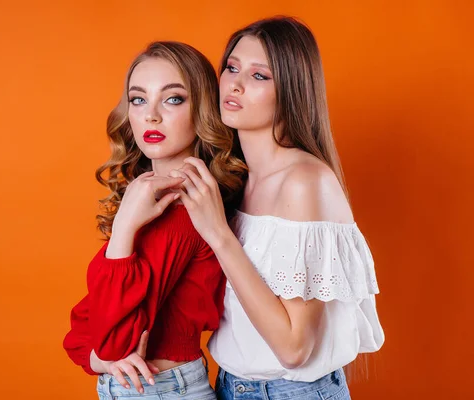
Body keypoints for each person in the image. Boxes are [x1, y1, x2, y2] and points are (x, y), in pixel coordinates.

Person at [169, 16, 384, 399]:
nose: (234, 84)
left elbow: (293, 348)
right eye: (232, 68)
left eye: (259, 76)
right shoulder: (238, 179)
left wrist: (219, 234)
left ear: (292, 90)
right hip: (228, 386)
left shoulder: (304, 181)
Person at [62, 41, 246, 399]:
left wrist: (124, 230)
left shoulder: (185, 208)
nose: (151, 115)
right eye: (138, 99)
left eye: (173, 99)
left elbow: (114, 344)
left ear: (203, 109)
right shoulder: (156, 198)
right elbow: (84, 330)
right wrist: (98, 358)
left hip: (160, 390)